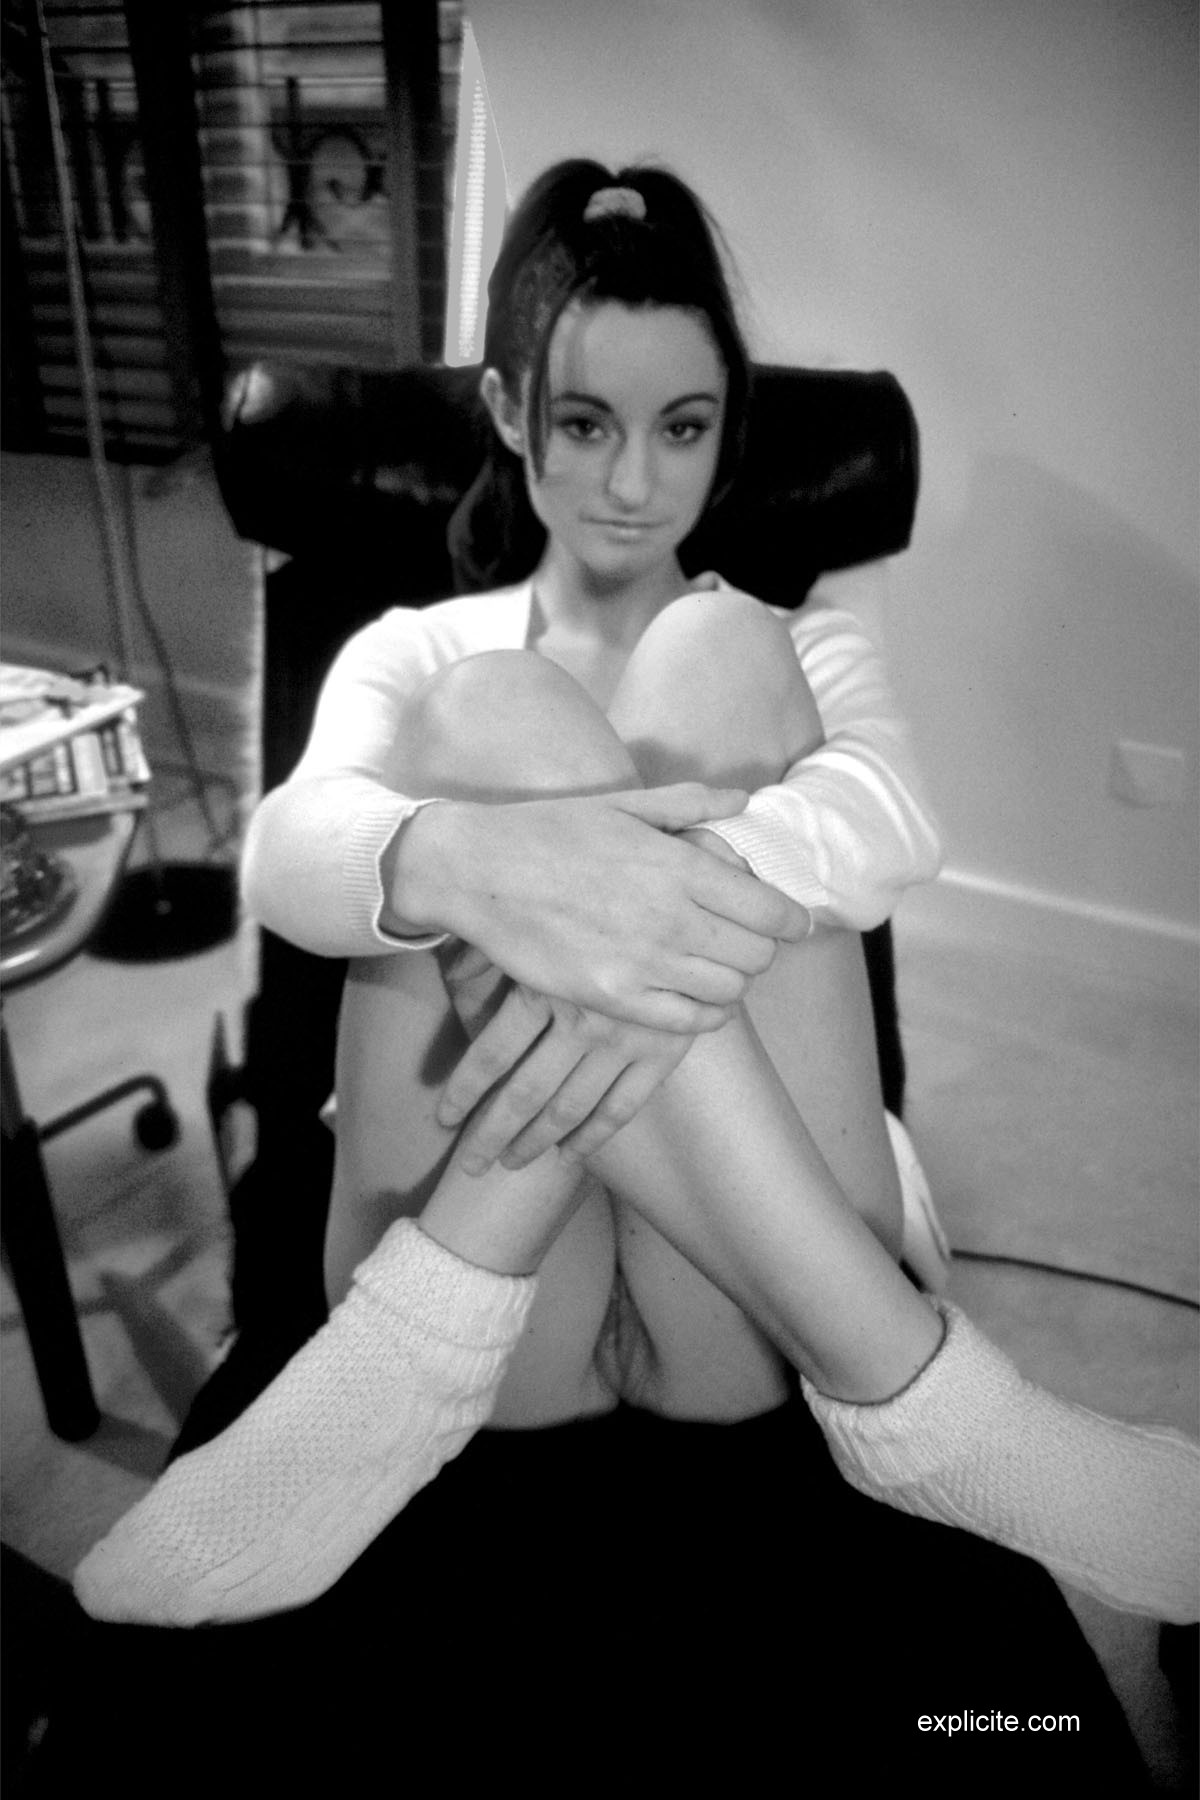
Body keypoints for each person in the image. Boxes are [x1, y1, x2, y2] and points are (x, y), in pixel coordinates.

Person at [63, 160, 1194, 1787]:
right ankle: (925, 1404)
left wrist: (613, 891)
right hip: (483, 1267)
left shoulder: (794, 643)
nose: (634, 481)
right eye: (586, 423)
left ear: (731, 436)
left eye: (685, 426)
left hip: (736, 1300)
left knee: (715, 653)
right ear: (509, 416)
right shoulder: (418, 648)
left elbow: (894, 821)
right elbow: (291, 856)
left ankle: (446, 1367)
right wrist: (475, 861)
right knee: (494, 721)